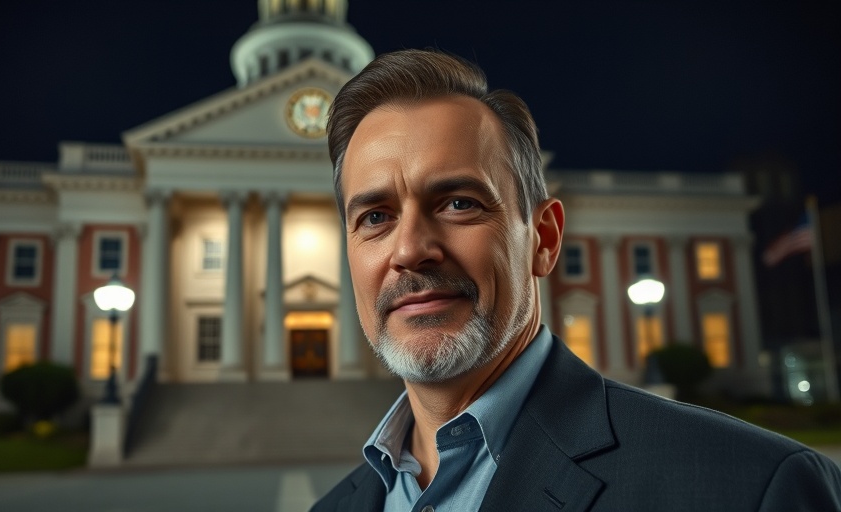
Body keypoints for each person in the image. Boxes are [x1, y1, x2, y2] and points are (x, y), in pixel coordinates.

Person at [311, 49, 841, 512]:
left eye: (457, 203)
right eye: (375, 217)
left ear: (543, 238)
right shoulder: (337, 508)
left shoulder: (750, 489)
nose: (409, 250)